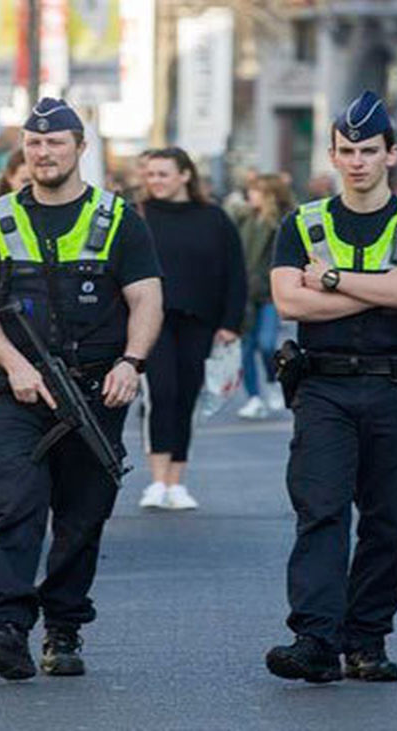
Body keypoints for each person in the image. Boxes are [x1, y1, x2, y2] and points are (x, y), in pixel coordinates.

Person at [0, 97, 163, 680]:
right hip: (15, 392)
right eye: (35, 144)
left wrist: (132, 362)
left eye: (56, 143)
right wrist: (16, 365)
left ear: (80, 148)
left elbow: (146, 298)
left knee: (81, 516)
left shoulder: (118, 219)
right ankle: (5, 630)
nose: (44, 153)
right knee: (7, 505)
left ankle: (63, 627)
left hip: (97, 392)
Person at [264, 91, 397, 684]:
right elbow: (290, 300)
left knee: (386, 518)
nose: (357, 162)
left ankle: (367, 639)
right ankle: (314, 639)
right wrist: (381, 287)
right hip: (324, 388)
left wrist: (335, 282)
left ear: (391, 155)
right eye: (346, 151)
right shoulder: (301, 222)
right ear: (332, 156)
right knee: (319, 512)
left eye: (369, 151)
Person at [135, 147, 246, 511]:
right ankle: (156, 480)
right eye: (150, 174)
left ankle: (176, 482)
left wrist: (231, 323)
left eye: (163, 173)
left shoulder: (214, 218)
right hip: (153, 322)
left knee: (187, 398)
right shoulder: (137, 216)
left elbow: (236, 272)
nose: (155, 181)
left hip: (201, 320)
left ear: (185, 175)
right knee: (161, 394)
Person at [237, 174, 289, 419]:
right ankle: (254, 397)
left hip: (268, 293)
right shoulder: (245, 218)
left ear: (268, 194)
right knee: (246, 348)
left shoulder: (280, 222)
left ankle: (272, 381)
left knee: (267, 344)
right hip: (245, 293)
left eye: (255, 191)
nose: (250, 196)